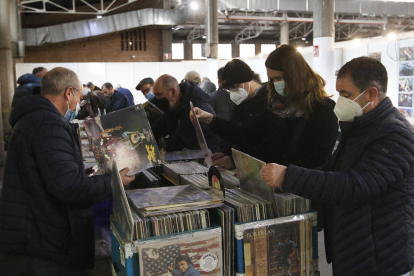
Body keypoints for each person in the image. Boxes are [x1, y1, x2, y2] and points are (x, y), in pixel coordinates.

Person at [260, 57, 414, 276]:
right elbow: (335, 173)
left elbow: (355, 186)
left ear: (370, 93)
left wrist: (289, 176)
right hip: (357, 249)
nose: (340, 100)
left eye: (346, 94)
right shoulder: (362, 126)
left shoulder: (394, 134)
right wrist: (292, 182)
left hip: (380, 258)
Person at [0, 67, 135, 275]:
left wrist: (81, 171)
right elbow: (68, 187)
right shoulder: (48, 124)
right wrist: (114, 181)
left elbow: (50, 173)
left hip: (37, 228)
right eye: (79, 97)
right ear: (68, 92)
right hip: (47, 238)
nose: (79, 104)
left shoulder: (34, 119)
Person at [192, 48, 338, 170]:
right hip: (272, 183)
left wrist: (283, 174)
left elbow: (318, 161)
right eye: (272, 79)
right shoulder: (275, 106)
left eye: (279, 78)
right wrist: (211, 120)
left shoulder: (323, 110)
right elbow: (248, 135)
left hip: (298, 189)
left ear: (296, 75)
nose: (276, 84)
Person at [151, 74, 220, 152]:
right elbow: (158, 129)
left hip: (208, 158)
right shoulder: (174, 106)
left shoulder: (195, 108)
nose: (157, 99)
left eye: (159, 94)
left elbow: (177, 143)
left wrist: (149, 145)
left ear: (173, 92)